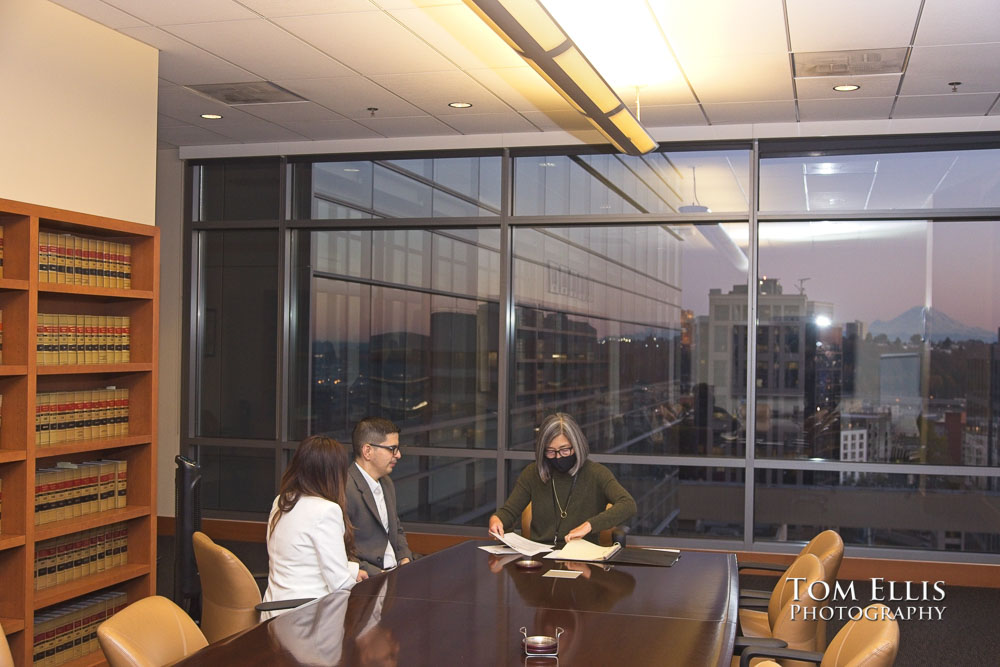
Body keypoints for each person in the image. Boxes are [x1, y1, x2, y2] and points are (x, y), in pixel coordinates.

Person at [489, 413, 636, 545]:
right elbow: (509, 512)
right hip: (542, 557)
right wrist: (497, 520)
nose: (558, 456)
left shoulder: (596, 473)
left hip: (582, 558)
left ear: (577, 446)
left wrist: (589, 525)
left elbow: (628, 504)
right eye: (551, 451)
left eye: (565, 450)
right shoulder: (532, 473)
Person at [261, 435, 367, 618]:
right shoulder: (326, 510)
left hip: (273, 611)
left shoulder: (282, 501)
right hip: (307, 618)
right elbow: (340, 585)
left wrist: (352, 570)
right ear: (334, 474)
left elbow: (299, 558)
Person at [346, 417, 413, 576]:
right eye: (392, 449)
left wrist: (405, 557)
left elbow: (396, 529)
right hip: (368, 579)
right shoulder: (345, 488)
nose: (398, 455)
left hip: (395, 573)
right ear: (367, 451)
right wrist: (377, 574)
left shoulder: (387, 483)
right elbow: (339, 549)